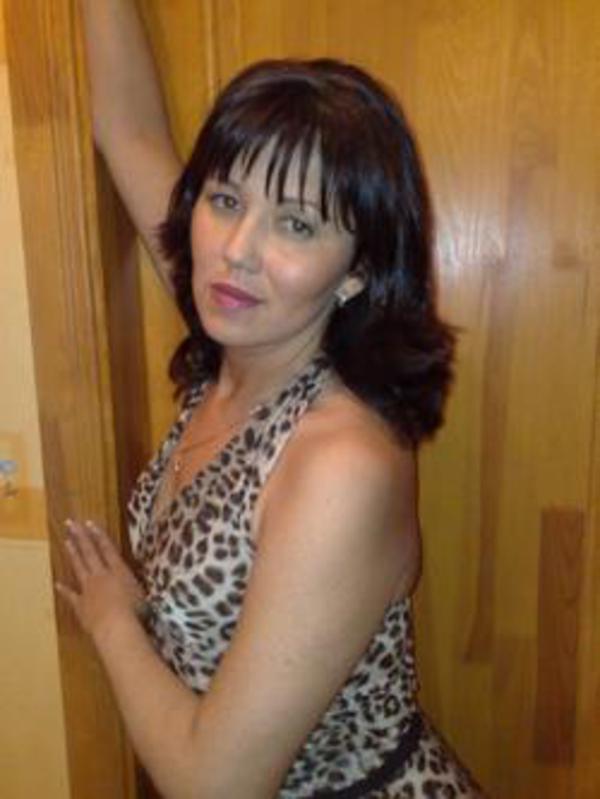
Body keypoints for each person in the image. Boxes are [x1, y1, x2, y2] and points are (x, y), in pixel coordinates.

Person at [56, 2, 485, 797]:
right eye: (225, 200)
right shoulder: (241, 326)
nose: (238, 249)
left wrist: (114, 621)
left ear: (357, 271)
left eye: (297, 225)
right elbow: (129, 132)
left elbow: (216, 785)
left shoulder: (340, 464)